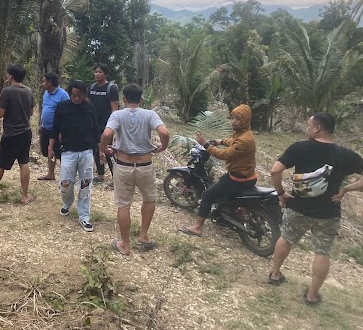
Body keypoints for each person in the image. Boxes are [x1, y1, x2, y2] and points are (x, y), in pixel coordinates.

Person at [268, 113, 363, 305]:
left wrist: (281, 193)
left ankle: (275, 274)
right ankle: (311, 295)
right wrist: (345, 189)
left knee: (286, 239)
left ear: (317, 128)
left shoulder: (299, 148)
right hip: (329, 213)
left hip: (298, 207)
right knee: (322, 252)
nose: (307, 128)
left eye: (309, 125)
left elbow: (275, 170)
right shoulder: (345, 155)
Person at [100, 84, 170, 254]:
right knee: (149, 199)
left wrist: (104, 149)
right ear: (141, 99)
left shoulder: (117, 115)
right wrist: (163, 147)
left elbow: (107, 134)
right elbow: (165, 132)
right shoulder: (150, 114)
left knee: (123, 205)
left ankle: (125, 244)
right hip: (145, 165)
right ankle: (144, 236)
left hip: (123, 165)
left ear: (124, 99)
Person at [179, 104, 257, 237]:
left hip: (238, 179)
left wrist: (206, 145)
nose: (233, 121)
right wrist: (220, 141)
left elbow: (224, 155)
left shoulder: (244, 140)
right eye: (232, 118)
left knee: (208, 195)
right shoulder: (244, 133)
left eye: (237, 119)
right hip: (248, 176)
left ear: (244, 120)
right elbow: (233, 141)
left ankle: (197, 227)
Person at [48, 80, 100, 231]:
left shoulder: (89, 107)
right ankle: (67, 202)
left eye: (80, 96)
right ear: (70, 94)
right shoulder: (62, 107)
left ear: (84, 95)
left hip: (86, 151)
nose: (77, 99)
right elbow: (55, 128)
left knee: (85, 184)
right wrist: (51, 148)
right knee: (65, 183)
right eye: (74, 95)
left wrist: (100, 150)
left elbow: (96, 130)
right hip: (68, 151)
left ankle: (84, 216)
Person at [0, 64, 35, 204]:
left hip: (12, 134)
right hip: (26, 132)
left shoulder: (7, 91)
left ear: (10, 76)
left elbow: (0, 114)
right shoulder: (28, 91)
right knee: (24, 163)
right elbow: (31, 112)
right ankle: (24, 196)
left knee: (1, 164)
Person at [89, 63, 119, 183]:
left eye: (100, 72)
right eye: (96, 72)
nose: (97, 74)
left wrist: (113, 126)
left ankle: (116, 177)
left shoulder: (111, 88)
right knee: (96, 150)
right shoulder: (91, 88)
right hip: (93, 124)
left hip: (107, 125)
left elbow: (114, 109)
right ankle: (100, 176)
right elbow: (88, 105)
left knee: (107, 150)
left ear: (105, 74)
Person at [37, 72, 70, 181]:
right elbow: (44, 108)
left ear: (49, 82)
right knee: (47, 150)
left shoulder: (63, 95)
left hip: (57, 129)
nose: (43, 83)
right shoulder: (46, 93)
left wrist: (62, 130)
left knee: (59, 152)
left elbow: (67, 113)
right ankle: (51, 174)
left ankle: (66, 175)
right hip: (46, 127)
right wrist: (41, 124)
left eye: (44, 81)